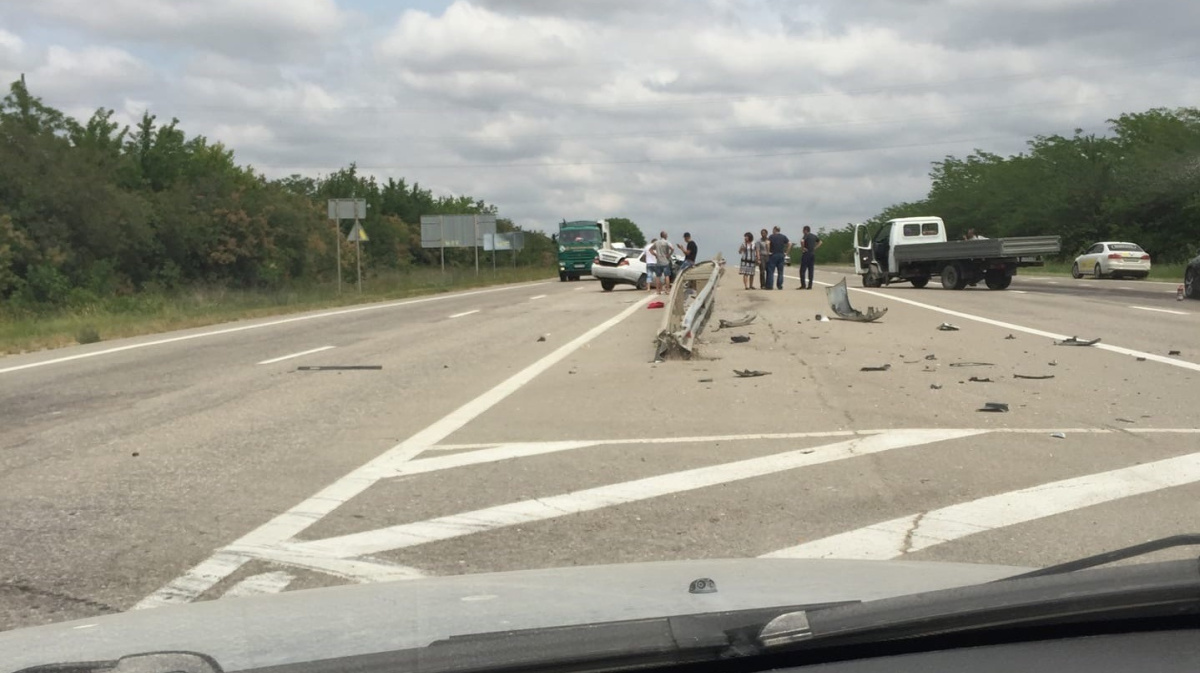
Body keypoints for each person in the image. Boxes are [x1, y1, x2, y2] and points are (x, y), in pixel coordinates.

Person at [797, 225, 821, 290]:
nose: (802, 231)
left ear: (805, 230)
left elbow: (802, 241)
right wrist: (815, 248)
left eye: (803, 230)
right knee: (811, 270)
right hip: (812, 254)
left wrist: (803, 248)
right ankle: (810, 286)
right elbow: (820, 242)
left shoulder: (805, 236)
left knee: (802, 270)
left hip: (806, 254)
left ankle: (803, 285)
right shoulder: (813, 236)